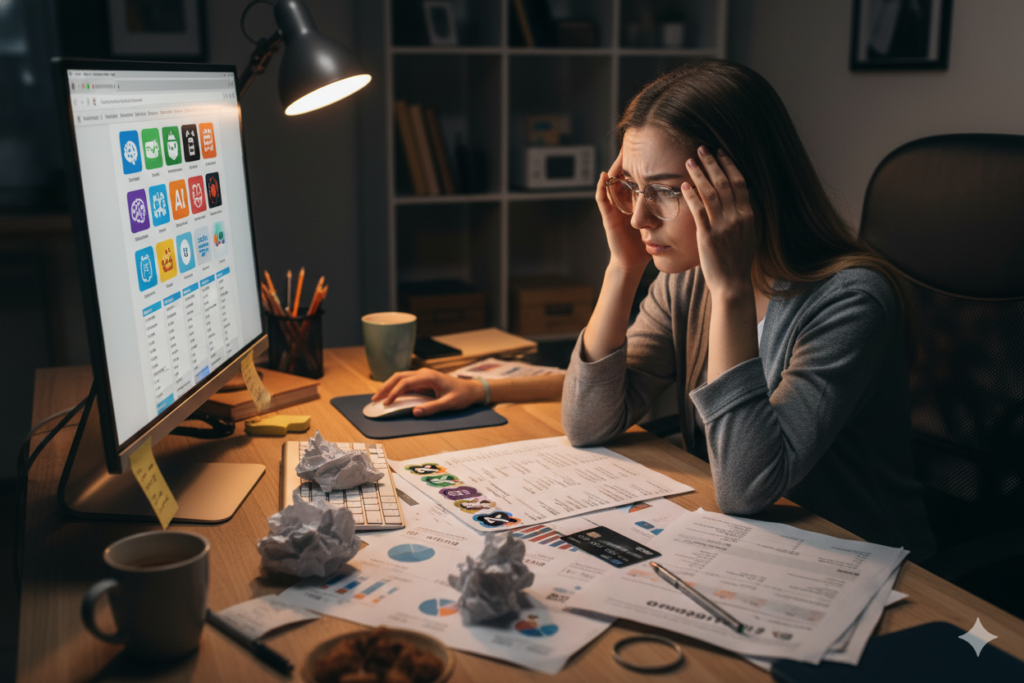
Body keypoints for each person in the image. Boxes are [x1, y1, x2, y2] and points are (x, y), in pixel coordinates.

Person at [561, 59, 934, 558]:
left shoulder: (851, 301)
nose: (640, 216)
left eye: (667, 191)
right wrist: (621, 269)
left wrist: (731, 289)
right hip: (751, 548)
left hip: (862, 562)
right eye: (631, 187)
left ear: (745, 187)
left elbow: (747, 486)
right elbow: (587, 424)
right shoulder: (686, 280)